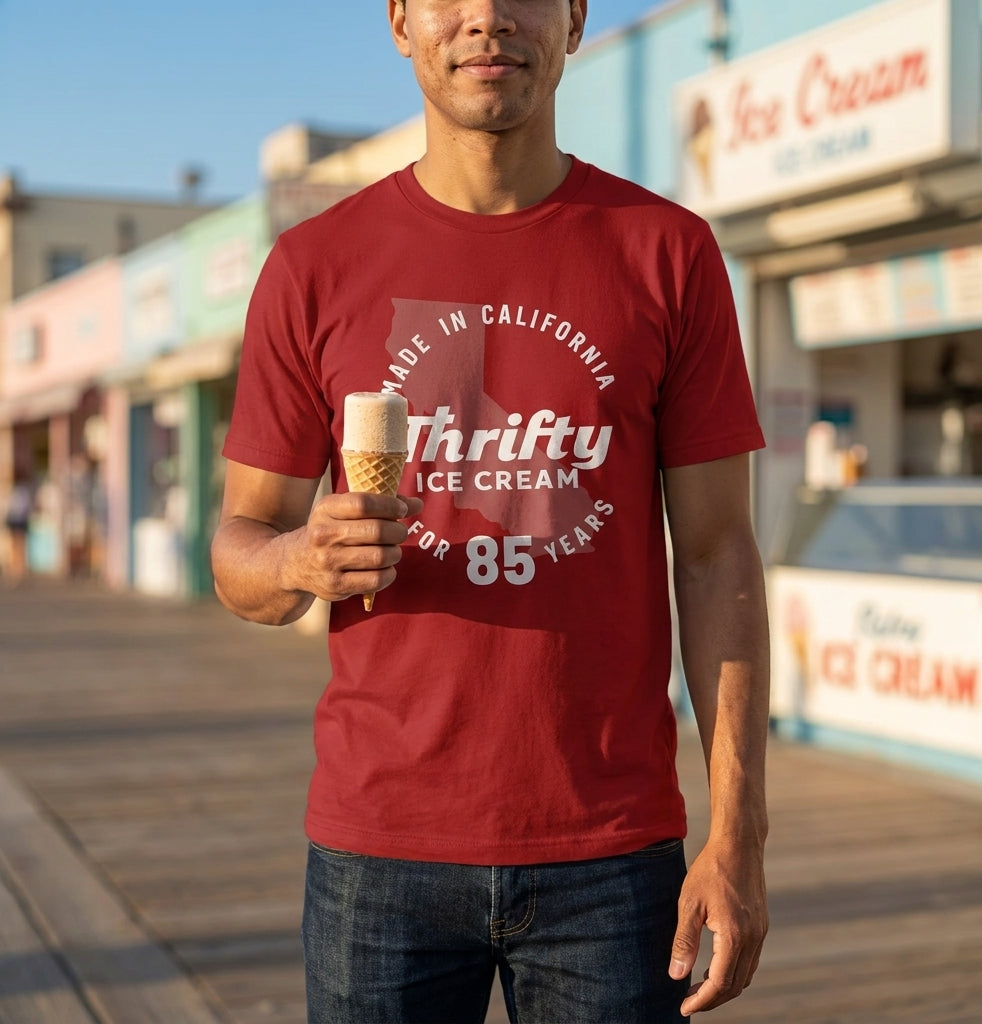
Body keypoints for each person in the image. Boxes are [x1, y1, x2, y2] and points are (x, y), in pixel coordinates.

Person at [212, 1, 770, 1021]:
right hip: (377, 852)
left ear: (572, 20)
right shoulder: (312, 266)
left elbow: (717, 550)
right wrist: (298, 559)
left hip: (612, 851)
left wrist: (737, 834)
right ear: (398, 22)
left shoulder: (668, 252)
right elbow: (239, 552)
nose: (484, 19)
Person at [4, 468, 33, 586]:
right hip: (19, 520)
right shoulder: (22, 490)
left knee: (17, 546)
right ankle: (17, 570)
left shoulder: (18, 490)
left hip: (17, 520)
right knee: (19, 546)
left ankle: (17, 571)